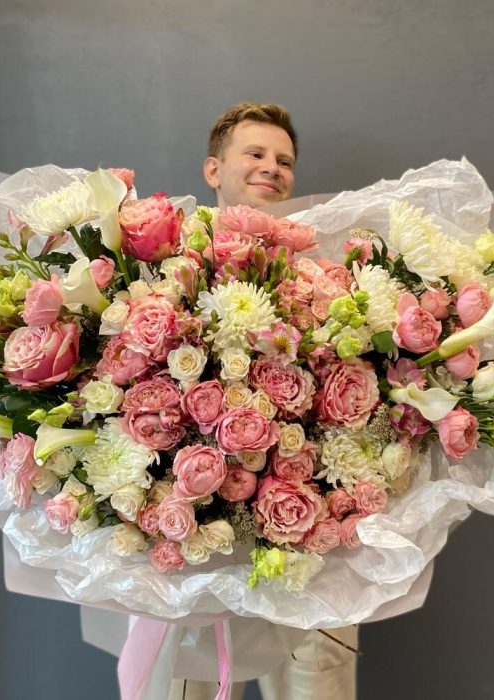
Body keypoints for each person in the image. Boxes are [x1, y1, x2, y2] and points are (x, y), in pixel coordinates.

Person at [167, 103, 359, 700]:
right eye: (255, 153)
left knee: (318, 678)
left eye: (284, 160)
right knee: (182, 683)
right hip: (191, 534)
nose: (272, 167)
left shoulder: (324, 276)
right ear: (213, 169)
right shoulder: (165, 267)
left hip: (306, 535)